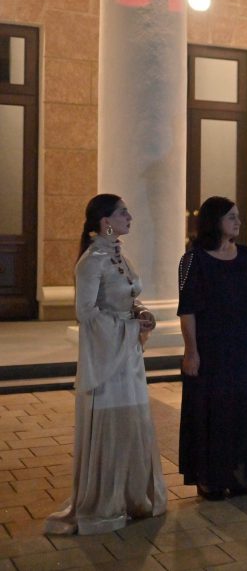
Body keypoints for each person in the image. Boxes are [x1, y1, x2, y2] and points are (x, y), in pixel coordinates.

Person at [46, 194, 166, 535]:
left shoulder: (119, 256)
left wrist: (142, 313)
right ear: (105, 221)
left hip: (128, 355)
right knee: (112, 424)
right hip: (107, 359)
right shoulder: (91, 262)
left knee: (133, 422)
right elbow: (86, 313)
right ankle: (105, 502)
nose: (130, 217)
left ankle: (133, 496)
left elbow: (126, 298)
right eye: (123, 212)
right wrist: (128, 328)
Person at [177, 196, 247, 499]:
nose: (238, 222)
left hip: (239, 344)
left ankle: (239, 474)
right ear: (214, 221)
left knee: (240, 407)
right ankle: (209, 478)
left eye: (238, 216)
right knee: (210, 410)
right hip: (209, 346)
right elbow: (187, 309)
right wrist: (191, 351)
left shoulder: (246, 255)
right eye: (231, 217)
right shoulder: (193, 259)